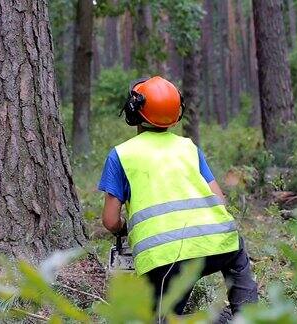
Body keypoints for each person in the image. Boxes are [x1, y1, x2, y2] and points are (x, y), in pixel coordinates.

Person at [98, 76, 259, 318]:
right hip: (218, 244)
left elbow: (110, 221)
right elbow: (219, 201)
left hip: (165, 256)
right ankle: (245, 316)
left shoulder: (121, 155)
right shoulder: (189, 147)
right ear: (176, 113)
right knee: (236, 254)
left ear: (134, 111)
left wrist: (124, 229)